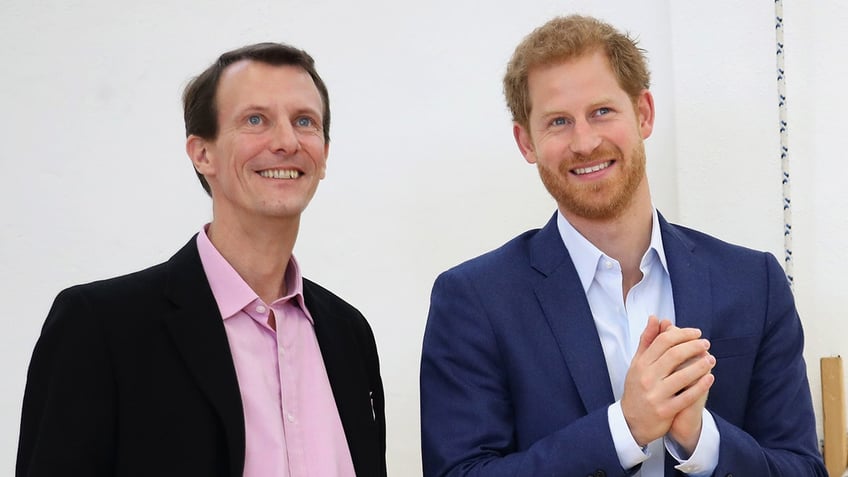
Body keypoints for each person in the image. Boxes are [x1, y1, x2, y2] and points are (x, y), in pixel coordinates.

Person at [420, 14, 825, 477]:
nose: (585, 141)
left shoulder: (754, 283)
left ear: (644, 113)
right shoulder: (473, 301)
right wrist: (624, 429)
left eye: (602, 112)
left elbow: (803, 469)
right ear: (526, 141)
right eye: (558, 122)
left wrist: (703, 442)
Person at [17, 43, 387, 477]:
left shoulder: (349, 334)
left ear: (324, 154)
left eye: (304, 121)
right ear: (201, 153)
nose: (287, 141)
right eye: (255, 120)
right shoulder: (101, 327)